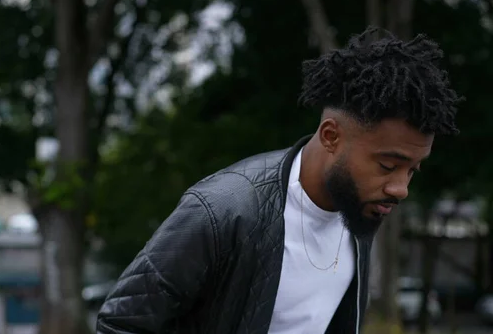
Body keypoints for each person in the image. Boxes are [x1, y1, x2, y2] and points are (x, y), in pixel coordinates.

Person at [96, 27, 461, 334]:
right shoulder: (223, 210)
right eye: (387, 166)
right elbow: (120, 325)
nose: (401, 188)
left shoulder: (359, 209)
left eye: (412, 170)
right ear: (331, 136)